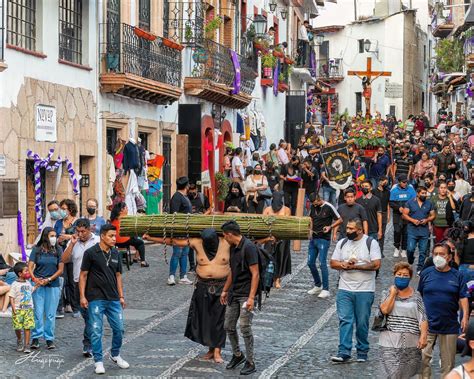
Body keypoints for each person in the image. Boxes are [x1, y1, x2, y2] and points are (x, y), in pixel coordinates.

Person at [143, 229, 230, 364]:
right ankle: (210, 349)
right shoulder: (196, 242)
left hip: (222, 286)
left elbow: (247, 242)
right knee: (204, 319)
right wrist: (151, 238)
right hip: (202, 286)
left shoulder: (227, 241)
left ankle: (217, 350)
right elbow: (174, 242)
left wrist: (267, 239)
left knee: (219, 319)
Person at [79, 223, 129, 375]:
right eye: (111, 236)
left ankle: (115, 354)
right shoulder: (91, 253)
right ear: (102, 236)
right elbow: (83, 275)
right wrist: (82, 296)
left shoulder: (116, 254)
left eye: (115, 236)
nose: (114, 239)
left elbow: (118, 276)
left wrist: (121, 296)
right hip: (95, 298)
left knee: (119, 328)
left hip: (113, 298)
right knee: (95, 330)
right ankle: (98, 361)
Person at [330, 218, 382, 363]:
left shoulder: (370, 243)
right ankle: (344, 351)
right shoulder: (342, 243)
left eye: (351, 229)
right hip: (344, 288)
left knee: (362, 322)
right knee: (345, 320)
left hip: (365, 289)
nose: (348, 231)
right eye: (347, 228)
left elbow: (376, 264)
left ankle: (362, 351)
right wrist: (343, 264)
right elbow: (333, 263)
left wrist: (356, 266)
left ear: (360, 230)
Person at [418, 243, 469, 378]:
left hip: (449, 324)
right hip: (427, 324)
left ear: (449, 257)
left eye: (442, 254)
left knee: (448, 364)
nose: (438, 257)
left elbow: (463, 297)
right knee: (422, 359)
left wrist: (465, 317)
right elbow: (419, 296)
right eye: (435, 254)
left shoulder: (458, 276)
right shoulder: (426, 274)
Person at [220, 221, 259, 375]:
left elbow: (255, 274)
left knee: (244, 327)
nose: (224, 239)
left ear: (230, 234)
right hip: (234, 293)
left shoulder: (248, 247)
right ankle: (238, 355)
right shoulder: (232, 247)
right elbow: (232, 270)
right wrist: (225, 290)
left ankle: (250, 361)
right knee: (228, 326)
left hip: (246, 294)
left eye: (224, 236)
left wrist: (251, 298)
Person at [378, 262, 428, 379]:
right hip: (389, 341)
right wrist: (393, 294)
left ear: (410, 277)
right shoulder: (386, 293)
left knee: (407, 374)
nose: (402, 277)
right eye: (399, 274)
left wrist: (423, 336)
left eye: (405, 275)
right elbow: (385, 310)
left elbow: (423, 317)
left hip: (411, 341)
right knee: (392, 373)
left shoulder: (416, 296)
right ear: (394, 275)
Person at [61, 218, 100, 357]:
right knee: (87, 317)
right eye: (78, 231)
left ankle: (88, 344)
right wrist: (71, 244)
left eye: (83, 231)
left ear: (89, 229)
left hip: (95, 283)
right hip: (78, 283)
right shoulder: (74, 242)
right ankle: (91, 341)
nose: (81, 234)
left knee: (92, 316)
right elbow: (64, 259)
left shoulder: (98, 241)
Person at [28, 227, 64, 350]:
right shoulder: (37, 250)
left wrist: (48, 279)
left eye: (55, 235)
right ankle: (36, 337)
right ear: (45, 236)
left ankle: (49, 338)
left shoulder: (58, 249)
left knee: (50, 314)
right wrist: (34, 279)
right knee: (37, 313)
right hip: (38, 284)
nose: (54, 238)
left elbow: (60, 270)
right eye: (51, 235)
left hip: (52, 284)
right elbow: (30, 266)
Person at [307, 193, 342, 298]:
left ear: (319, 199)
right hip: (314, 238)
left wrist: (330, 227)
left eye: (315, 203)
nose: (314, 205)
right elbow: (311, 219)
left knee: (322, 263)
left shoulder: (329, 206)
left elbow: (340, 219)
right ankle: (317, 285)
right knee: (310, 262)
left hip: (324, 239)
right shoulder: (313, 206)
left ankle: (326, 289)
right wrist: (309, 231)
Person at [402, 186, 436, 273]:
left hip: (424, 231)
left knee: (423, 251)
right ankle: (410, 260)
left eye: (425, 193)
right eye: (422, 193)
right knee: (410, 249)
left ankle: (420, 268)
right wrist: (413, 220)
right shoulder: (410, 203)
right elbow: (404, 214)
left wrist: (427, 220)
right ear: (418, 194)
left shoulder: (429, 203)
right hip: (412, 230)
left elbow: (433, 215)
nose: (424, 195)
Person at [262, 192, 292, 289]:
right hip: (270, 237)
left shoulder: (286, 210)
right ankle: (269, 278)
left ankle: (277, 278)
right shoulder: (267, 209)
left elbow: (286, 223)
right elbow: (263, 222)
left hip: (282, 238)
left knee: (280, 258)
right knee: (269, 257)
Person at [55, 198, 78, 318]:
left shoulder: (77, 221)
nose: (62, 211)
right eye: (61, 209)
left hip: (74, 254)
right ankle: (61, 305)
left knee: (72, 281)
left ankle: (74, 306)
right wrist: (57, 239)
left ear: (70, 210)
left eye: (64, 209)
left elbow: (80, 235)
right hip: (61, 254)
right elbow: (53, 235)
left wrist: (68, 237)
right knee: (62, 281)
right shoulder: (58, 223)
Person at [168, 176, 193, 285]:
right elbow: (174, 213)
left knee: (185, 253)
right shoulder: (177, 197)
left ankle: (183, 276)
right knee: (177, 252)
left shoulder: (184, 196)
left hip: (186, 229)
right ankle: (171, 276)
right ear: (186, 186)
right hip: (179, 229)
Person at [110, 202, 148, 268]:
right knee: (140, 242)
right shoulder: (125, 218)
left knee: (135, 239)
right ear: (122, 210)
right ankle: (143, 261)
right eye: (126, 208)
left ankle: (135, 258)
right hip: (124, 240)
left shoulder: (114, 218)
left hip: (115, 241)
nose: (127, 209)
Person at [9, 262, 36, 353]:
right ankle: (19, 340)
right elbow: (11, 297)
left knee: (27, 327)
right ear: (20, 274)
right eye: (26, 271)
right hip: (18, 310)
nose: (28, 272)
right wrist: (14, 310)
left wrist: (38, 284)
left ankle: (27, 345)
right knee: (18, 327)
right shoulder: (14, 284)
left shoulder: (28, 283)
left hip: (28, 309)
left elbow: (31, 290)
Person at [390, 174, 416, 258]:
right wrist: (398, 208)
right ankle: (397, 248)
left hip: (408, 214)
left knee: (406, 232)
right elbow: (391, 202)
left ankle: (404, 249)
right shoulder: (394, 190)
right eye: (403, 182)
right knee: (397, 231)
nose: (405, 183)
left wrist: (408, 209)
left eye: (406, 182)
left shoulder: (411, 189)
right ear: (399, 182)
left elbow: (414, 201)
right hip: (397, 214)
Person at [373, 175, 391, 255]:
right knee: (374, 231)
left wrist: (388, 215)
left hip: (383, 213)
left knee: (382, 233)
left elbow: (388, 204)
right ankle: (373, 249)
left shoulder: (387, 192)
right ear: (380, 182)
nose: (386, 184)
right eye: (385, 182)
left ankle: (381, 250)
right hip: (375, 214)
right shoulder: (374, 191)